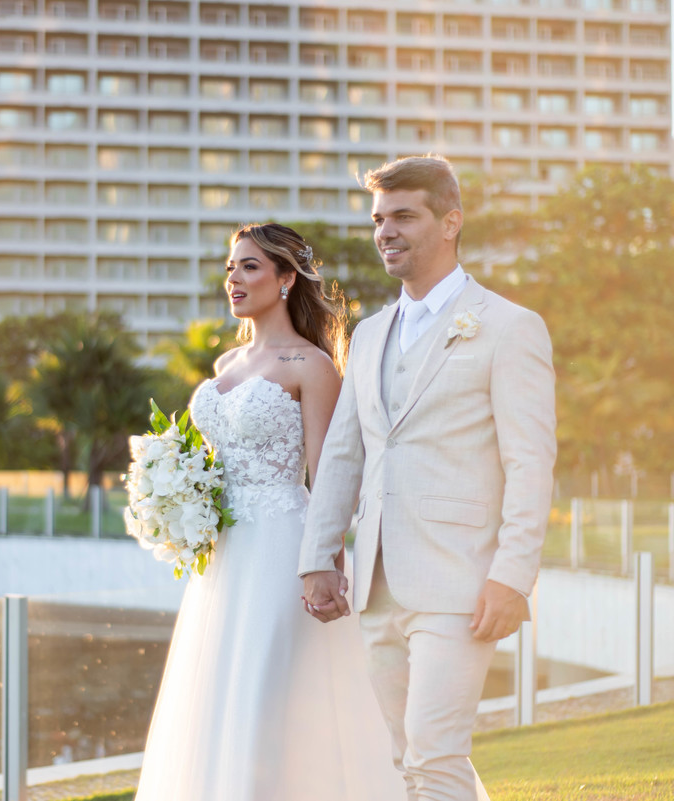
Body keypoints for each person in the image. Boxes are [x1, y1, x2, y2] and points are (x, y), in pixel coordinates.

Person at [298, 155, 557, 800]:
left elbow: (531, 463)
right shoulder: (369, 334)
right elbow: (342, 455)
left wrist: (512, 576)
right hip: (376, 583)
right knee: (406, 757)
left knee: (435, 757)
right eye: (379, 219)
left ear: (451, 222)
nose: (387, 231)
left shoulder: (509, 327)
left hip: (461, 584)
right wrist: (317, 557)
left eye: (404, 216)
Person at [134, 223, 406, 801]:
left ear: (286, 278)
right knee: (219, 694)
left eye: (250, 266)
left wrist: (327, 568)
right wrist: (178, 496)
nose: (233, 277)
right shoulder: (225, 364)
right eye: (231, 266)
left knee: (270, 689)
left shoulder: (312, 365)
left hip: (285, 550)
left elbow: (329, 477)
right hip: (224, 558)